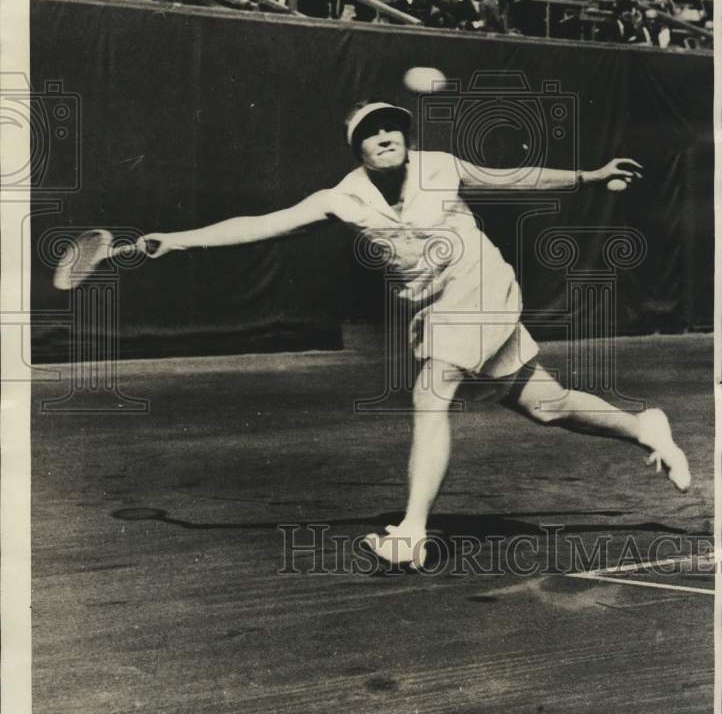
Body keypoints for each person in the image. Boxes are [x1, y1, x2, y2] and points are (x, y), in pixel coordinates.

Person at [140, 100, 691, 569]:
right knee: (546, 404)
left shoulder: (442, 165)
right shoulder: (340, 200)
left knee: (433, 390)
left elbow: (512, 178)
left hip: (481, 286)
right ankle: (644, 426)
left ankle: (411, 533)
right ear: (356, 150)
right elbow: (259, 225)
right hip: (433, 310)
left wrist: (588, 177)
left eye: (391, 127)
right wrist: (178, 239)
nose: (384, 137)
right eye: (369, 134)